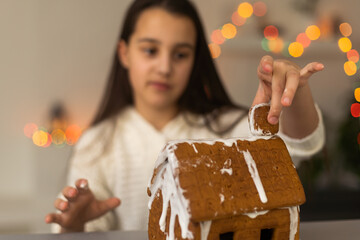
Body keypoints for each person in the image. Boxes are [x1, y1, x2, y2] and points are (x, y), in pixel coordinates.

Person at [45, 0, 325, 233]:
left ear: (194, 61)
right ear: (125, 53)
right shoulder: (97, 143)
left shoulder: (226, 129)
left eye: (180, 54)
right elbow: (88, 227)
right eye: (150, 50)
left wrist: (295, 92)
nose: (165, 67)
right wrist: (75, 227)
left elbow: (300, 146)